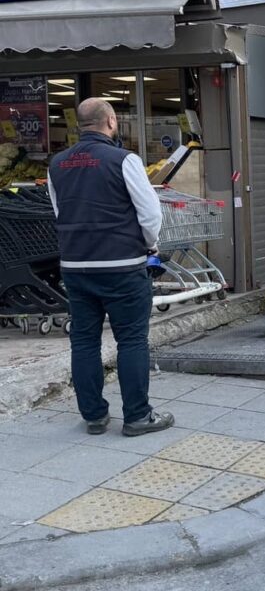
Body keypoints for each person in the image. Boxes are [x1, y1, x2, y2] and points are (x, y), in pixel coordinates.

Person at [47, 98, 175, 437]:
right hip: (122, 265)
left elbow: (60, 212)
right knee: (132, 339)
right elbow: (150, 214)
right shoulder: (124, 160)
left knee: (84, 341)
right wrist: (150, 245)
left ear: (79, 125)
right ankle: (137, 416)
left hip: (75, 266)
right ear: (112, 121)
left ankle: (94, 416)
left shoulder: (56, 164)